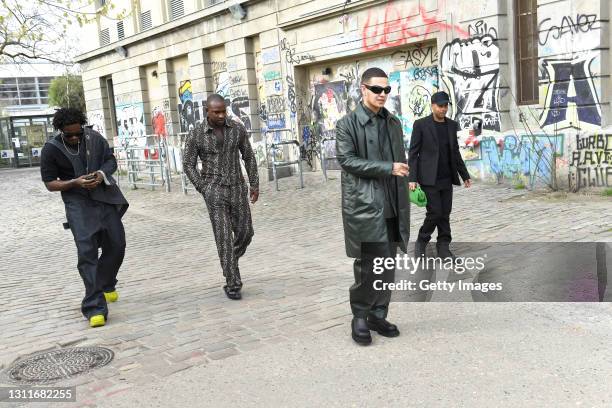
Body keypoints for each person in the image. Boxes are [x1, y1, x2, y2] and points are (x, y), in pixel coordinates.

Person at [335, 68, 411, 346]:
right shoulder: (347, 125)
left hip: (393, 202)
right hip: (365, 205)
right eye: (377, 89)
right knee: (368, 266)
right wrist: (388, 168)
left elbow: (399, 162)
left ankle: (379, 314)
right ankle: (360, 316)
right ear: (363, 89)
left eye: (386, 90)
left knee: (388, 264)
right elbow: (347, 161)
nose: (382, 95)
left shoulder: (393, 123)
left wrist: (407, 183)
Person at [40, 108, 128, 328]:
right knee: (87, 253)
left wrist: (100, 174)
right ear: (60, 131)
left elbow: (111, 162)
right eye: (68, 135)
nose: (74, 138)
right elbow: (50, 183)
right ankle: (94, 306)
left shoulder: (95, 138)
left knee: (117, 244)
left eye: (77, 133)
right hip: (77, 203)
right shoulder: (51, 149)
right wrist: (75, 182)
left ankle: (106, 282)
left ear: (82, 127)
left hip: (104, 198)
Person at [183, 94, 259, 300]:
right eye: (216, 112)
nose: (220, 115)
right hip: (214, 190)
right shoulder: (197, 134)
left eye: (223, 111)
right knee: (224, 237)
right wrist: (203, 187)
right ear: (207, 111)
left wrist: (254, 184)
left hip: (237, 188)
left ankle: (229, 260)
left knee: (246, 233)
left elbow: (249, 156)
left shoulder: (237, 128)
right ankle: (233, 283)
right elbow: (188, 164)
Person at [408, 91, 472, 260]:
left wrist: (464, 174)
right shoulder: (421, 124)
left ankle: (444, 248)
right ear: (433, 105)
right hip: (428, 178)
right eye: (440, 106)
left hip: (446, 177)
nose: (443, 109)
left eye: (446, 106)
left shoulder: (451, 125)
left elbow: (455, 152)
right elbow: (413, 153)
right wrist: (412, 178)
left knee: (445, 213)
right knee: (435, 212)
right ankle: (422, 241)